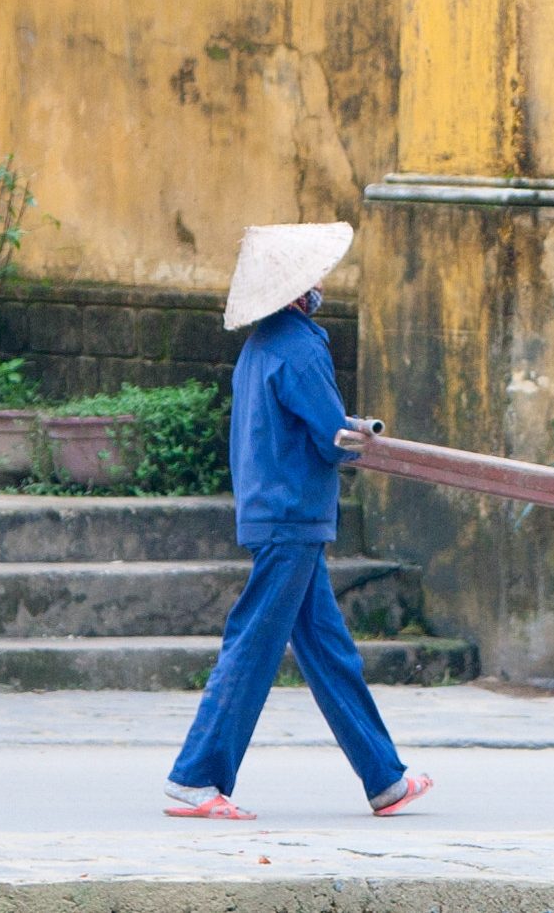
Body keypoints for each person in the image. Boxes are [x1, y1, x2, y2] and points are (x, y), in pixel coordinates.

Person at [163, 221, 431, 823]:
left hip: (275, 513)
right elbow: (331, 438)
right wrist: (357, 433)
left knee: (330, 652)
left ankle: (385, 779)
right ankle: (195, 776)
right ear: (294, 291)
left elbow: (305, 424)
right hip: (293, 517)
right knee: (255, 643)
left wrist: (344, 426)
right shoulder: (303, 345)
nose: (318, 286)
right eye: (311, 279)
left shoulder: (261, 346)